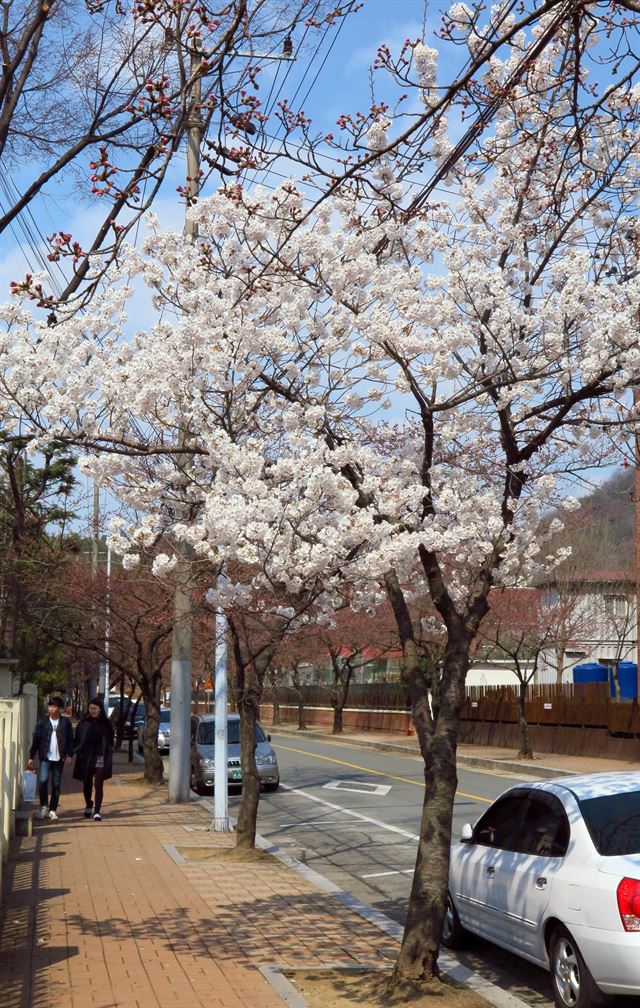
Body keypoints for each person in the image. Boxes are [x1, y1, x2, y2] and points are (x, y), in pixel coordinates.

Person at [28, 695, 75, 820]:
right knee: (43, 781)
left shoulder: (65, 723)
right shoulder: (42, 722)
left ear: (59, 709)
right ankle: (43, 806)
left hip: (59, 759)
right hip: (45, 758)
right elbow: (36, 740)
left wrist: (70, 755)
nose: (51, 709)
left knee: (56, 784)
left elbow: (71, 740)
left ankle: (53, 810)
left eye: (54, 707)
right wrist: (31, 756)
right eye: (50, 706)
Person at [73, 697, 114, 821]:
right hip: (86, 757)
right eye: (91, 708)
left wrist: (110, 749)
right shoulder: (84, 722)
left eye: (95, 708)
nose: (93, 711)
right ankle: (89, 804)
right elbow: (78, 739)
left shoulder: (106, 723)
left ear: (100, 709)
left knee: (98, 784)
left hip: (100, 756)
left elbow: (111, 738)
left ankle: (97, 812)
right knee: (87, 784)